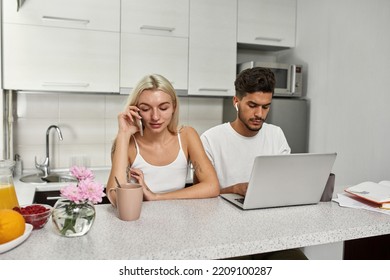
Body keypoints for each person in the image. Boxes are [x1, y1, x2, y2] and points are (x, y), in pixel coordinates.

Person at [197, 67, 307, 260]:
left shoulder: (276, 135)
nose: (259, 114)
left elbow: (285, 184)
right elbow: (199, 198)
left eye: (266, 107)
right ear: (236, 102)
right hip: (223, 234)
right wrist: (235, 189)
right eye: (252, 105)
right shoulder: (210, 139)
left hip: (269, 231)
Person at [107, 74, 219, 203]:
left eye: (163, 108)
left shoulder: (187, 135)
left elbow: (212, 186)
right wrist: (123, 134)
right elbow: (116, 199)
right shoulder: (128, 143)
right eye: (145, 108)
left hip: (180, 219)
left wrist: (155, 197)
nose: (155, 116)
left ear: (174, 107)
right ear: (136, 110)